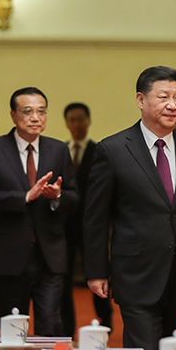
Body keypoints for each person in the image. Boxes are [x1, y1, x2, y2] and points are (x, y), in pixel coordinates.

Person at [83, 66, 176, 350]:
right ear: (141, 100)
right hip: (137, 275)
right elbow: (95, 218)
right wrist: (96, 270)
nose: (172, 105)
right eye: (163, 97)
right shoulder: (113, 150)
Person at [0, 88, 78, 336]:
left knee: (50, 326)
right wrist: (24, 197)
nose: (35, 118)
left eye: (41, 111)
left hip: (49, 255)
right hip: (8, 255)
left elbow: (74, 197)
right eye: (28, 111)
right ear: (13, 115)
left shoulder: (58, 149)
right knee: (11, 330)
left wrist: (57, 196)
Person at [62, 101, 112, 334]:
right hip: (64, 226)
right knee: (63, 277)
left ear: (89, 121)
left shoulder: (99, 151)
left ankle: (105, 320)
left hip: (92, 224)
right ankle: (66, 327)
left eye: (81, 119)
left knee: (98, 272)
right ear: (66, 123)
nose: (77, 124)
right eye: (72, 120)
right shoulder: (61, 151)